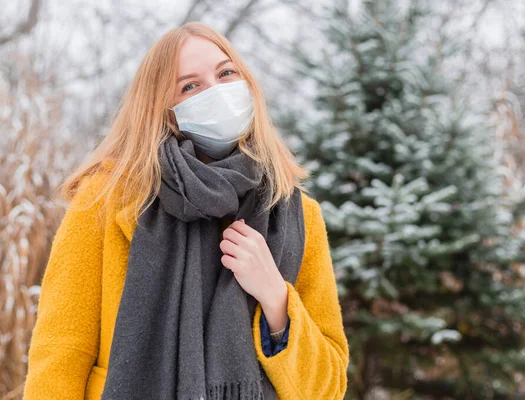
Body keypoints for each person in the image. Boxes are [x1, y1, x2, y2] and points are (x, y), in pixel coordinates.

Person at [22, 21, 349, 400]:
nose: (217, 91)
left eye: (226, 73)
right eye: (190, 86)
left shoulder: (297, 215)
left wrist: (275, 296)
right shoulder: (108, 199)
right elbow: (61, 351)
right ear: (164, 108)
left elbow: (328, 388)